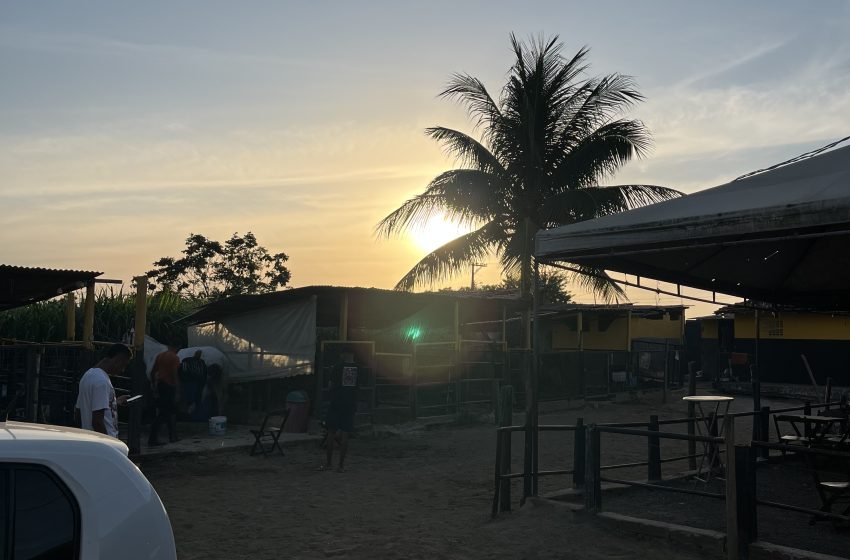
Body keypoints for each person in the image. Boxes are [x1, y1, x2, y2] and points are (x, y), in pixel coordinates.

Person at [75, 343, 132, 438]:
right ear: (118, 360)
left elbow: (78, 413)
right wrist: (108, 443)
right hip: (103, 444)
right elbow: (97, 422)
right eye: (123, 365)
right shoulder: (102, 382)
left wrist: (115, 402)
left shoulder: (87, 376)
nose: (122, 370)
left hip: (90, 440)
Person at [319, 349, 359, 472]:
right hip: (350, 402)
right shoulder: (359, 368)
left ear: (344, 354)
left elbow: (331, 385)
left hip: (336, 402)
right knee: (345, 433)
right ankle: (341, 465)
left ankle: (329, 463)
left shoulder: (337, 367)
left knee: (331, 432)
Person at [148, 346, 181, 445]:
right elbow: (175, 374)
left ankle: (172, 436)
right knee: (165, 412)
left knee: (168, 411)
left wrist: (154, 385)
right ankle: (153, 438)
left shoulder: (160, 356)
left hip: (160, 385)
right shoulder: (174, 358)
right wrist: (178, 391)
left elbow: (152, 372)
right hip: (169, 386)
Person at [179, 350, 208, 419]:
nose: (198, 355)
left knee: (197, 399)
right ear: (194, 354)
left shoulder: (201, 362)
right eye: (197, 354)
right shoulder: (187, 360)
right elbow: (184, 370)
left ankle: (194, 414)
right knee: (191, 399)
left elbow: (204, 371)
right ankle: (189, 415)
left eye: (199, 354)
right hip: (190, 383)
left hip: (199, 383)